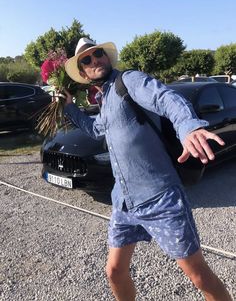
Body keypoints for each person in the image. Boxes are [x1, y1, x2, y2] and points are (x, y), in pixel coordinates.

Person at [63, 37, 232, 301]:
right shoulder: (104, 97)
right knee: (114, 271)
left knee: (197, 274)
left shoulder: (128, 80)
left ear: (106, 57)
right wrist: (69, 108)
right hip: (124, 203)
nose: (94, 60)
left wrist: (189, 127)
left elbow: (165, 98)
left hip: (160, 197)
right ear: (83, 71)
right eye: (86, 59)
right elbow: (97, 130)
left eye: (98, 54)